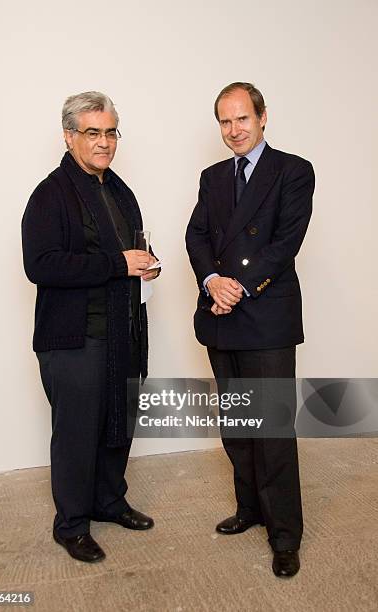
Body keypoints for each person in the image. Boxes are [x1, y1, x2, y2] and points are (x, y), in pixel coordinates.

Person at [22, 91, 160, 563]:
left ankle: (108, 501)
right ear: (69, 136)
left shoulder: (118, 190)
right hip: (75, 339)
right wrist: (117, 264)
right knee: (78, 433)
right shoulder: (50, 194)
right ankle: (72, 524)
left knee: (118, 422)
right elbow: (41, 265)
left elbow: (125, 253)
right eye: (92, 132)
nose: (103, 142)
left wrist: (142, 265)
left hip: (122, 332)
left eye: (110, 132)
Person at [186, 82, 314, 577]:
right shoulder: (212, 176)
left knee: (273, 429)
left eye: (242, 119)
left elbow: (286, 243)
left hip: (265, 315)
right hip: (222, 312)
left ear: (263, 118)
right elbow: (197, 234)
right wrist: (212, 280)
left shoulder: (293, 170)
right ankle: (250, 509)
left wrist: (237, 284)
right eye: (225, 121)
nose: (234, 130)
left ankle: (285, 534)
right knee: (238, 426)